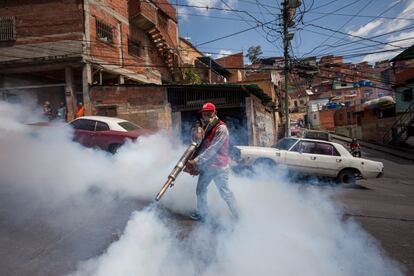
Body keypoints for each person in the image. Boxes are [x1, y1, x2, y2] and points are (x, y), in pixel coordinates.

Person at [186, 102, 239, 222]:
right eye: (204, 114)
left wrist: (195, 161)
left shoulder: (221, 128)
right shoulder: (207, 127)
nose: (206, 116)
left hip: (219, 167)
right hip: (208, 167)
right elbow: (203, 146)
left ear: (215, 113)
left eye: (209, 113)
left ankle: (237, 215)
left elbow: (213, 148)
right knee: (200, 190)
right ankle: (203, 213)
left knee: (225, 193)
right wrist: (197, 164)